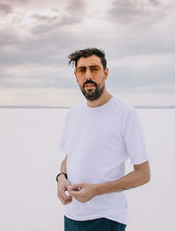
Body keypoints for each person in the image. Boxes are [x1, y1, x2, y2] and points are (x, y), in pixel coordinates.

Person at [56, 48, 150, 231]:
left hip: (106, 218)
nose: (88, 75)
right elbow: (70, 156)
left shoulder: (125, 113)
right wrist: (61, 178)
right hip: (71, 215)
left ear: (105, 73)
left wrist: (96, 190)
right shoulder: (74, 113)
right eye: (82, 70)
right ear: (76, 76)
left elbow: (143, 174)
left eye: (94, 69)